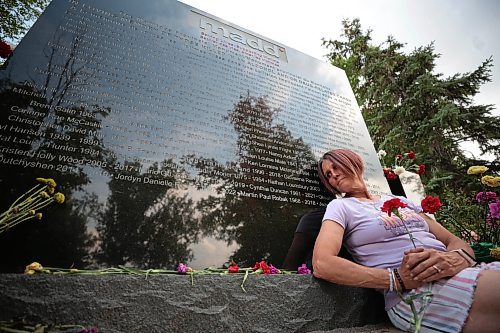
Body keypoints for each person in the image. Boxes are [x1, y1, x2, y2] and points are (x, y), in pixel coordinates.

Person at [312, 149, 500, 333]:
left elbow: (453, 240)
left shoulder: (400, 200)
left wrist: (456, 259)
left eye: (336, 167)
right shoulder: (340, 207)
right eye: (328, 175)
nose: (334, 175)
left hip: (457, 271)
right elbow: (322, 263)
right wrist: (396, 279)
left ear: (354, 162)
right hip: (414, 294)